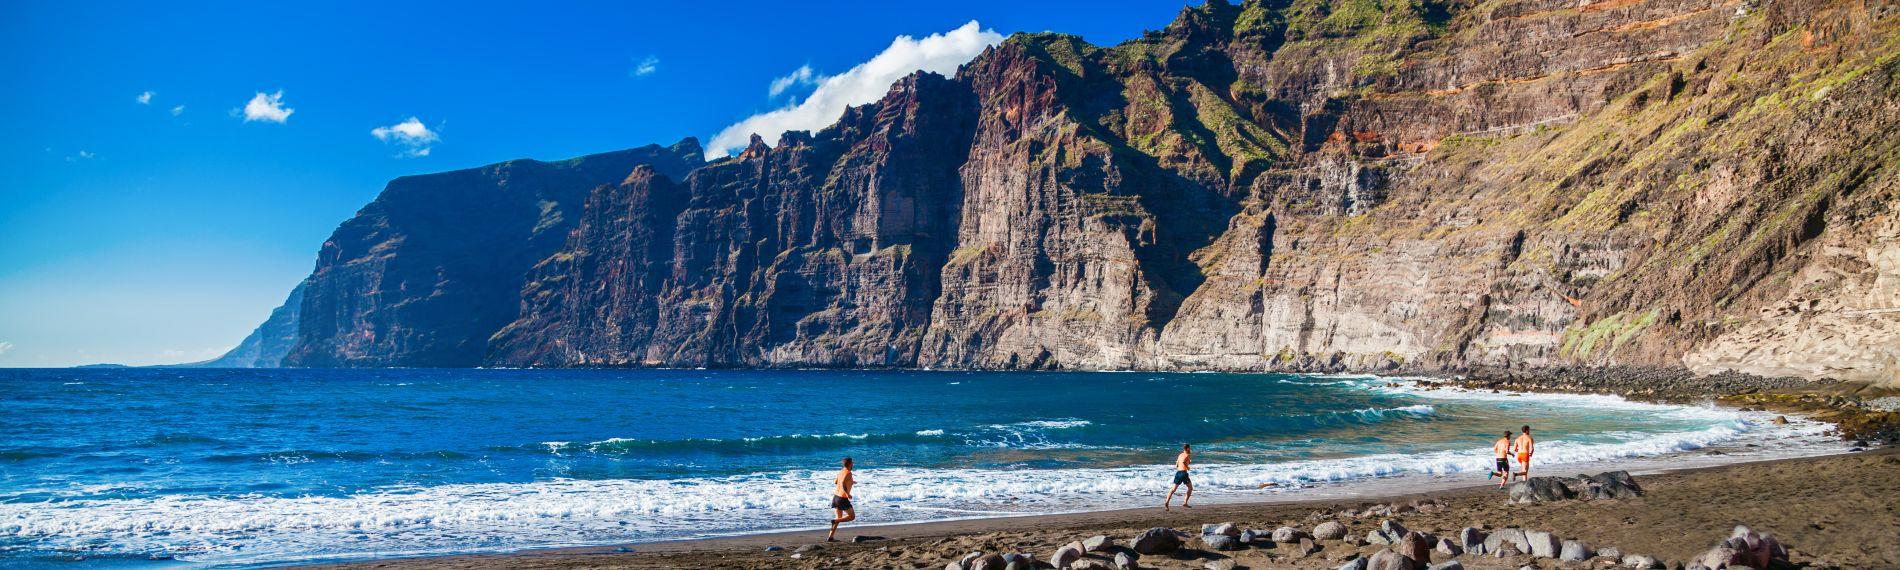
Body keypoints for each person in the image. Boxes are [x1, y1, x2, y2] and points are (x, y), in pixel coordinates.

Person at [825, 457, 856, 542]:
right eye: (852, 463)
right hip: (842, 498)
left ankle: (830, 537)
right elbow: (842, 483)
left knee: (839, 517)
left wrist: (851, 482)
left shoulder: (841, 471)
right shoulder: (849, 473)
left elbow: (836, 482)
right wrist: (848, 494)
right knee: (852, 516)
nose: (853, 464)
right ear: (850, 464)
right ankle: (834, 521)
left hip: (836, 497)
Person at [1164, 443, 1193, 510]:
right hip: (1184, 473)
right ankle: (1185, 503)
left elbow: (1177, 464)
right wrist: (1187, 467)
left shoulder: (1180, 455)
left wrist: (1187, 462)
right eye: (1190, 448)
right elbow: (1183, 462)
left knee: (1173, 489)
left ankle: (1167, 502)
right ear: (1188, 448)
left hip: (1178, 473)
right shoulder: (1187, 455)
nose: (1190, 449)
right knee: (1190, 488)